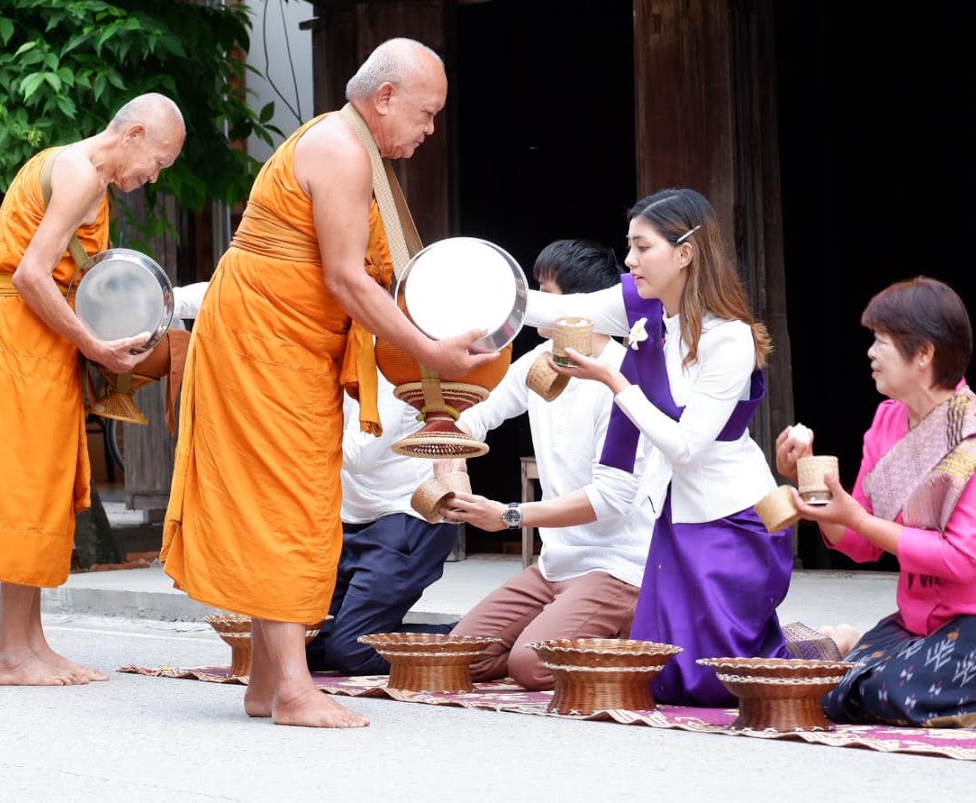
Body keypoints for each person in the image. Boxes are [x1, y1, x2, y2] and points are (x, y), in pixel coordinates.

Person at [161, 37, 496, 728]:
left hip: (286, 342)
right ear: (385, 98)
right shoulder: (340, 149)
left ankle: (265, 683)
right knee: (288, 503)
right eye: (427, 113)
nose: (431, 129)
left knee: (290, 497)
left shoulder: (354, 149)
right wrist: (429, 350)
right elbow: (346, 277)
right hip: (262, 342)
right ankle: (292, 688)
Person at [0, 95, 186, 686]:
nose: (153, 177)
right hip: (16, 342)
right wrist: (94, 346)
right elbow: (32, 274)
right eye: (157, 162)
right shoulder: (78, 173)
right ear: (133, 134)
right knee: (22, 490)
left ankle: (32, 642)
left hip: (35, 345)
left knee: (42, 489)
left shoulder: (83, 173)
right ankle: (10, 653)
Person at [522, 189, 788, 705]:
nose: (630, 260)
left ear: (685, 253)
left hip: (733, 519)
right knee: (667, 679)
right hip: (674, 516)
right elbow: (562, 309)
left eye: (642, 247)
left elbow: (687, 446)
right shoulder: (643, 310)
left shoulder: (729, 338)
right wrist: (481, 292)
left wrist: (615, 380)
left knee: (718, 682)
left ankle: (824, 643)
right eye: (630, 247)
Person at [777, 277, 976, 727]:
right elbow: (860, 541)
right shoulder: (888, 420)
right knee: (831, 691)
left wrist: (857, 518)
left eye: (881, 341)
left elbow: (961, 560)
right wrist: (809, 477)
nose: (871, 353)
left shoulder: (975, 434)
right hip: (925, 620)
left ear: (924, 354)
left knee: (894, 693)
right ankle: (969, 694)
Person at [442, 239, 652, 689]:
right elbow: (475, 415)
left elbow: (611, 499)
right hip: (555, 565)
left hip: (616, 568)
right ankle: (565, 629)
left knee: (531, 667)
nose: (533, 302)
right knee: (458, 660)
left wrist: (508, 516)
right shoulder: (538, 361)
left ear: (579, 307)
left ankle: (640, 631)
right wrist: (451, 469)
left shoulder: (622, 377)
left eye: (544, 292)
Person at [305, 384, 457, 677]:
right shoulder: (331, 366)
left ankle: (483, 638)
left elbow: (359, 454)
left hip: (406, 518)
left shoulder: (386, 369)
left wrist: (284, 430)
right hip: (350, 520)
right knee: (307, 644)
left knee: (353, 651)